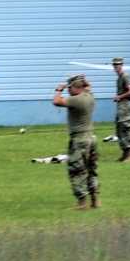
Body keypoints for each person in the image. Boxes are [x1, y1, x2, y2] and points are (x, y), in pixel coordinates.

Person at [53, 74, 99, 210]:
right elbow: (89, 87)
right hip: (91, 137)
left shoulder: (76, 100)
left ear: (77, 87)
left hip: (79, 139)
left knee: (77, 170)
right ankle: (95, 200)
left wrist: (58, 90)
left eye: (70, 88)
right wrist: (85, 81)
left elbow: (56, 102)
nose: (68, 91)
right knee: (91, 170)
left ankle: (82, 202)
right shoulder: (89, 96)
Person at [112, 56, 130, 162]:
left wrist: (120, 97)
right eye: (115, 64)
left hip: (125, 106)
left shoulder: (126, 76)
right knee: (120, 129)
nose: (116, 66)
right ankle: (125, 154)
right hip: (120, 106)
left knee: (126, 129)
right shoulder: (119, 78)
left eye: (118, 64)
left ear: (122, 65)